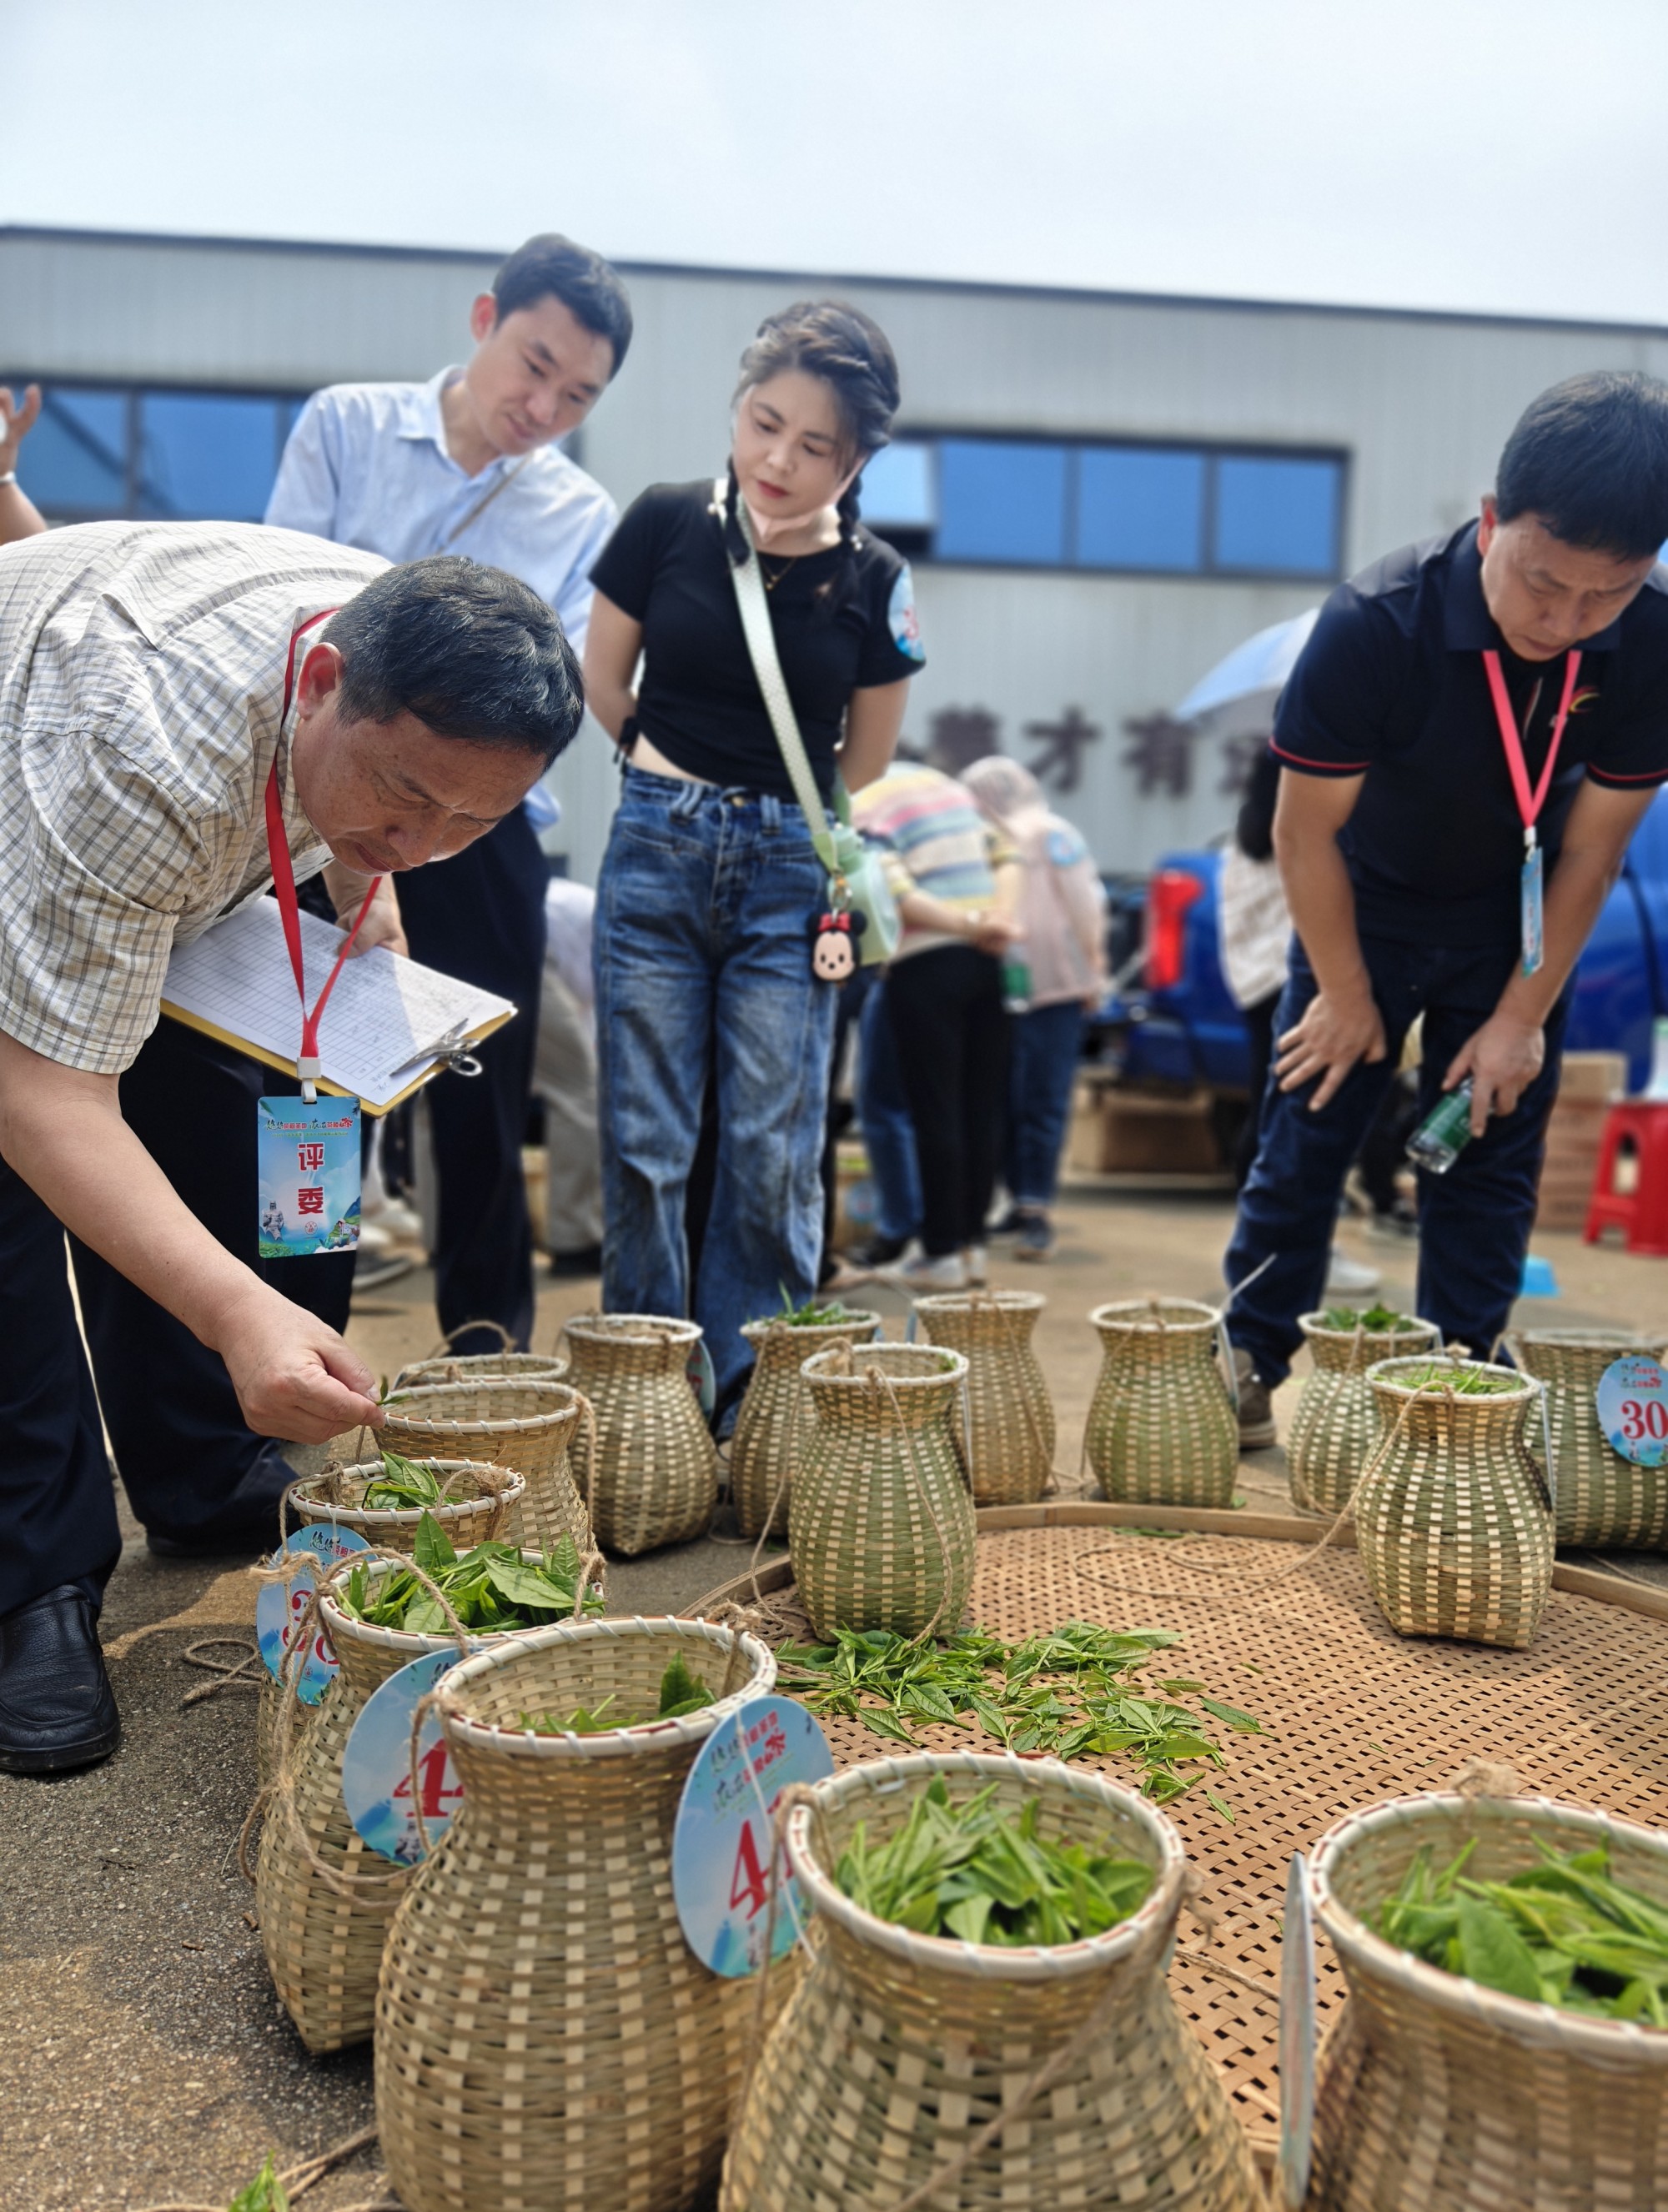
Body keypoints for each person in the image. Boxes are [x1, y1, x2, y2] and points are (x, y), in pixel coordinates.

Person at [0, 514, 582, 1773]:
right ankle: (29, 1582)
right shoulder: (132, 741)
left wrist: (369, 896)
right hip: (27, 786)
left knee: (207, 1092)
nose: (429, 839)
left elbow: (386, 813)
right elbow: (44, 1101)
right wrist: (238, 1312)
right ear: (319, 683)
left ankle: (205, 1470)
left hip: (133, 846)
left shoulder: (393, 647)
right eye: (410, 799)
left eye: (472, 822)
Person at [1224, 370, 1668, 1447]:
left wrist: (1519, 1017)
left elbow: (1594, 850)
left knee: (1486, 1156)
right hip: (1362, 904)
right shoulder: (1377, 622)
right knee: (1311, 1130)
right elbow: (1301, 833)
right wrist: (1340, 991)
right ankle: (1247, 1357)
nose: (1565, 621)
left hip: (1514, 928)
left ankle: (1458, 1382)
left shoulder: (1652, 644)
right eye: (1543, 582)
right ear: (1490, 521)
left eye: (1602, 596)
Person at [265, 233, 631, 1352]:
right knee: (310, 1075)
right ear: (484, 320)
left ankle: (487, 1354)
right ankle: (296, 1335)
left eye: (577, 394)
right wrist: (353, 852)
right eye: (533, 365)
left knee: (480, 1087)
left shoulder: (581, 513)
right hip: (324, 790)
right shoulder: (348, 425)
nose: (543, 405)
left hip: (484, 830)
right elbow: (281, 591)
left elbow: (557, 695)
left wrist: (444, 819)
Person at [582, 301, 923, 1419]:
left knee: (773, 1145)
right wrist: (661, 768)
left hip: (790, 869)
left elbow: (864, 760)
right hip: (656, 848)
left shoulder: (876, 579)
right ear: (738, 407)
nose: (778, 459)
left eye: (814, 444)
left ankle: (753, 1398)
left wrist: (774, 813)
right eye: (763, 422)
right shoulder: (665, 521)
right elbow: (603, 680)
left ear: (858, 456)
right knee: (644, 1138)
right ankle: (646, 1390)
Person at [852, 759, 1020, 1289]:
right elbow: (1009, 854)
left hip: (924, 966)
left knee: (934, 1110)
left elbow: (896, 895)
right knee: (980, 1109)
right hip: (989, 961)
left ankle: (940, 1253)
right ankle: (971, 1250)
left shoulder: (864, 799)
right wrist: (996, 922)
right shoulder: (951, 789)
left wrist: (966, 923)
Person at [961, 755, 1108, 1261]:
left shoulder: (1037, 834)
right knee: (1029, 1099)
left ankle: (1032, 1206)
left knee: (1022, 1098)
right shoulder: (1040, 834)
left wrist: (1092, 969)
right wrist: (1094, 966)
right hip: (1037, 985)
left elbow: (1085, 906)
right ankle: (1023, 1206)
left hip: (1031, 986)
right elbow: (1087, 904)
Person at [534, 875, 604, 1272]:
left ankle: (441, 1237)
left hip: (464, 930)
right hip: (530, 943)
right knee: (580, 1091)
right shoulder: (608, 921)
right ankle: (576, 1238)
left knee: (450, 1087)